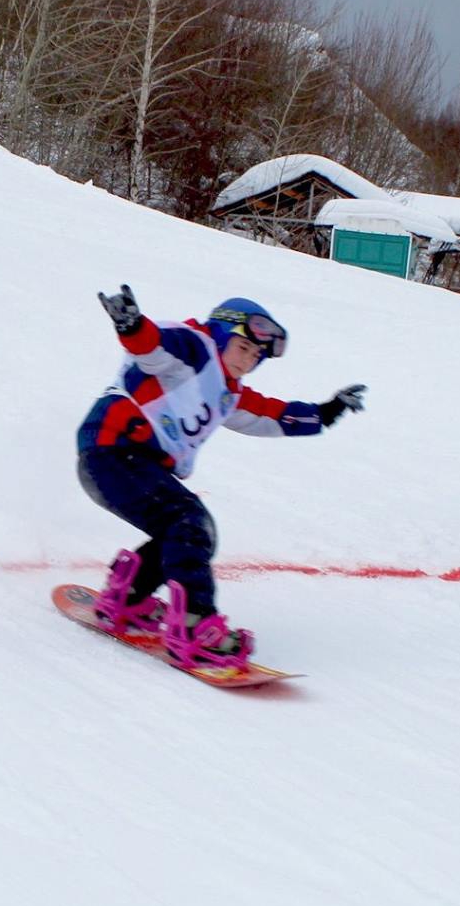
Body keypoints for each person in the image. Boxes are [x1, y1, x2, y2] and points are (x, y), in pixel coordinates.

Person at [77, 286, 367, 667]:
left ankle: (128, 596)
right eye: (243, 348)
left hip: (127, 463)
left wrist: (325, 412)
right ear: (221, 334)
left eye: (256, 356)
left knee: (190, 531)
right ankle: (194, 625)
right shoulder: (194, 348)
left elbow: (269, 414)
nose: (248, 360)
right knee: (187, 521)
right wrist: (131, 325)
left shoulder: (227, 393)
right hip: (112, 450)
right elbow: (152, 345)